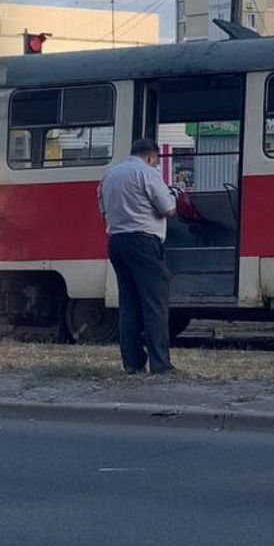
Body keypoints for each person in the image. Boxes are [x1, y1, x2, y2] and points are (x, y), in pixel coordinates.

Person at [98, 138, 176, 374]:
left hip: (116, 242)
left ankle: (132, 363)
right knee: (154, 304)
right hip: (144, 242)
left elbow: (103, 211)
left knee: (128, 304)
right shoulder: (148, 173)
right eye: (156, 160)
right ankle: (160, 364)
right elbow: (168, 208)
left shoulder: (109, 175)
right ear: (151, 156)